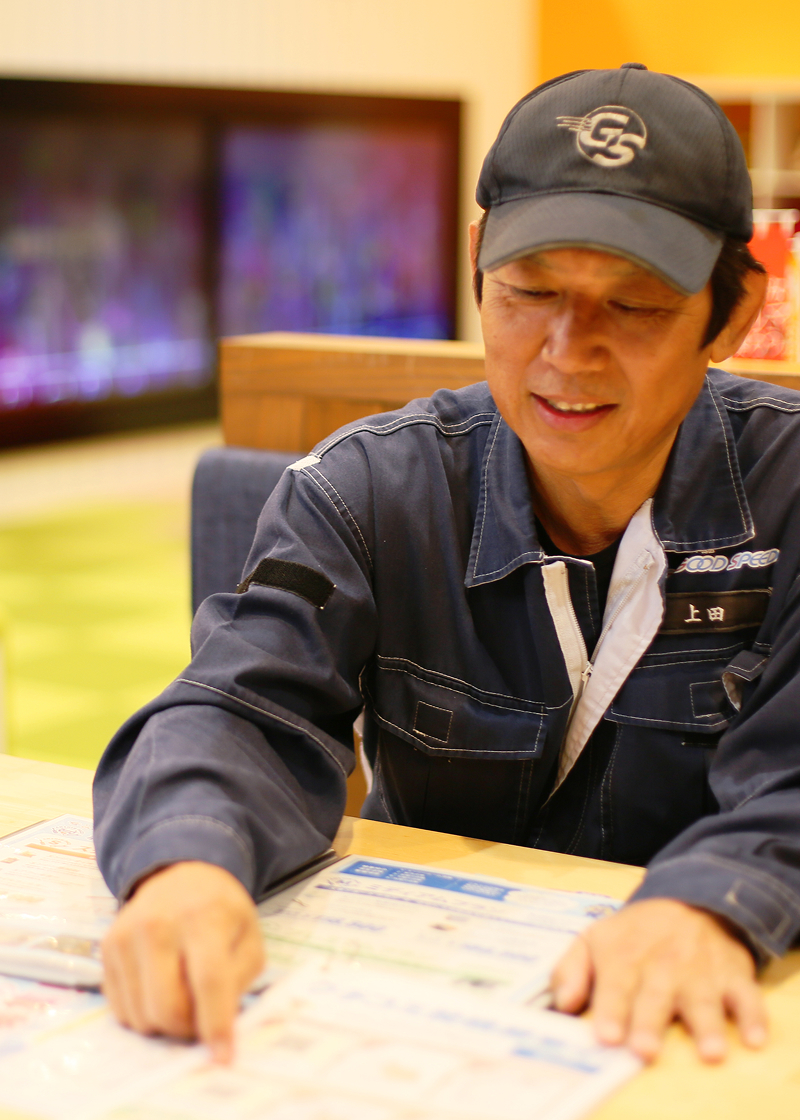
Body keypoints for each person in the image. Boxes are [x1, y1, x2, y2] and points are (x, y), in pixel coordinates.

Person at [94, 64, 800, 1067]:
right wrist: (186, 864)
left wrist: (712, 902)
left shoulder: (786, 492)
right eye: (530, 291)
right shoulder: (369, 489)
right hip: (416, 1012)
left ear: (730, 315)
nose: (568, 350)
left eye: (635, 304)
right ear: (477, 268)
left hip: (694, 1026)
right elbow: (240, 707)